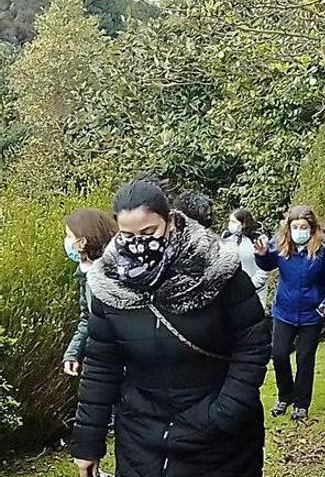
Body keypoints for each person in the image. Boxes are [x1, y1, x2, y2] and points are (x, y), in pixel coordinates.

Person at [70, 178, 271, 477]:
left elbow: (253, 343)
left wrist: (225, 411)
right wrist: (88, 442)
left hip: (217, 436)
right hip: (141, 435)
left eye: (149, 232)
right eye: (128, 234)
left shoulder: (217, 269)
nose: (139, 242)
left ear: (170, 221)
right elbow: (102, 364)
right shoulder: (108, 284)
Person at [254, 205, 325, 421]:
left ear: (312, 228)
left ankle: (301, 404)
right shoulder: (282, 244)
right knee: (279, 355)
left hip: (312, 314)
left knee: (305, 359)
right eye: (295, 227)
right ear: (289, 228)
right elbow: (267, 264)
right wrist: (262, 255)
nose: (299, 231)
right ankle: (285, 396)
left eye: (303, 227)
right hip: (284, 311)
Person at [61, 209, 117, 377]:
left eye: (69, 236)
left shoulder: (115, 271)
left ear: (83, 241)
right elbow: (88, 318)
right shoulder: (85, 272)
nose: (66, 241)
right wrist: (73, 353)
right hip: (104, 361)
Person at [222, 208, 269, 307]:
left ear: (243, 223)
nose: (230, 224)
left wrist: (250, 286)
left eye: (234, 222)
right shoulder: (227, 237)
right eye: (230, 221)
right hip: (232, 294)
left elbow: (264, 268)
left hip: (255, 292)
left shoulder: (258, 239)